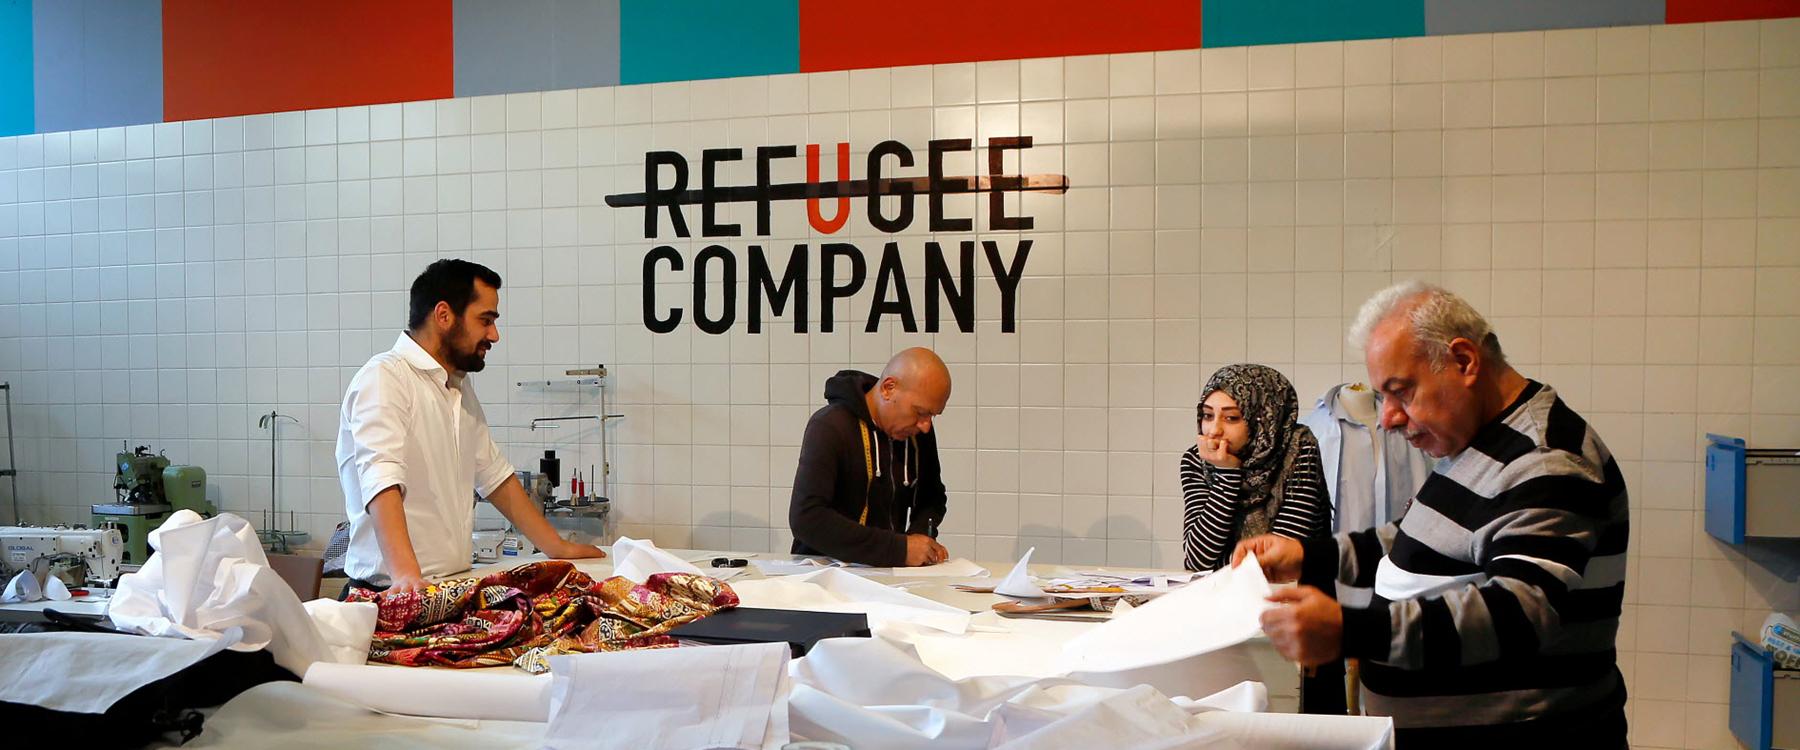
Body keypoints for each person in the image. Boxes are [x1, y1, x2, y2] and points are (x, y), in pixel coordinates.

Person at [1234, 280, 1629, 749]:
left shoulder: (1546, 459)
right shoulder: (1480, 440)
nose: (1388, 417)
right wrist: (1309, 556)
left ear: (1464, 362)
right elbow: (1420, 539)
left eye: (1401, 392)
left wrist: (1352, 630)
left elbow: (1520, 613)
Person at [337, 259, 604, 596]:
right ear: (444, 315)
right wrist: (405, 574)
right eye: (485, 320)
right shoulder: (386, 378)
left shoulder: (457, 388)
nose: (493, 334)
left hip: (444, 587)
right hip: (389, 592)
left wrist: (555, 546)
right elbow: (381, 478)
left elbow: (495, 477)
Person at [789, 348, 951, 567]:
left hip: (889, 573)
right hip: (822, 572)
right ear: (888, 388)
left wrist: (920, 538)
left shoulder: (918, 433)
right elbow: (807, 519)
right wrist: (899, 549)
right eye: (920, 412)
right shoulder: (830, 425)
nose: (925, 425)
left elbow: (932, 497)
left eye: (932, 415)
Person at [1181, 364, 1330, 573]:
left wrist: (1223, 563)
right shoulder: (1198, 459)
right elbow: (1197, 560)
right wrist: (1228, 473)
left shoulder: (1298, 450)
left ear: (1262, 419)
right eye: (1207, 415)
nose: (1214, 430)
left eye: (1231, 418)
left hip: (1294, 595)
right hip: (1218, 597)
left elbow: (1276, 559)